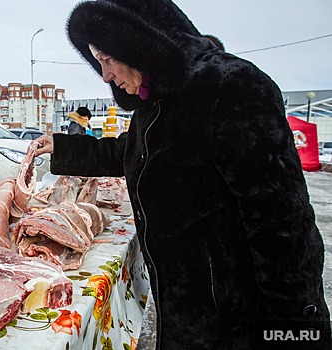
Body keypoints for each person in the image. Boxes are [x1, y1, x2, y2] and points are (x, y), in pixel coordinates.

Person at [34, 0, 331, 349]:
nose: (105, 76)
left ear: (138, 44)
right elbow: (130, 153)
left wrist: (293, 329)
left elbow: (284, 225)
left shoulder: (230, 86)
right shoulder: (156, 103)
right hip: (184, 312)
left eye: (107, 59)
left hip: (235, 322)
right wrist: (62, 146)